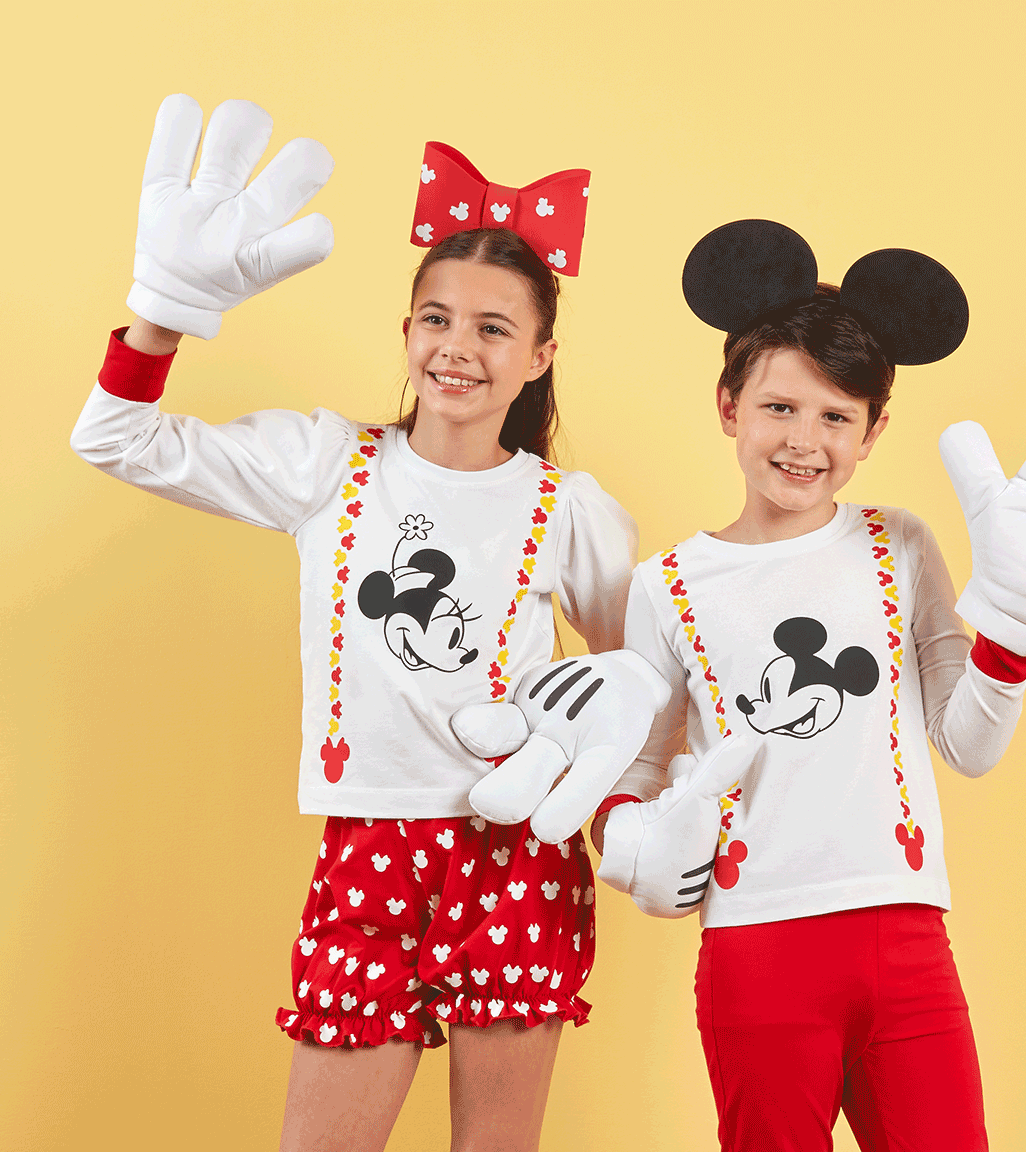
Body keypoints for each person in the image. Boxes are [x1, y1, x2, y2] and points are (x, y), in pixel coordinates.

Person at [70, 95, 639, 1152]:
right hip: (369, 843)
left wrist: (641, 826)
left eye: (493, 327)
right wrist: (162, 309)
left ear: (541, 356)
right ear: (407, 330)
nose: (458, 348)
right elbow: (116, 439)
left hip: (515, 858)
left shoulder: (573, 509)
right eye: (437, 319)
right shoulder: (327, 465)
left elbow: (631, 697)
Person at [592, 220, 1026, 1151]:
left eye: (836, 418)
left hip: (906, 936)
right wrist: (633, 847)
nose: (804, 441)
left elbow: (968, 742)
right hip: (757, 946)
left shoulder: (898, 544)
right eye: (780, 408)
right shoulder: (666, 587)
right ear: (728, 405)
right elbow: (633, 771)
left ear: (874, 430)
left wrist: (1014, 633)